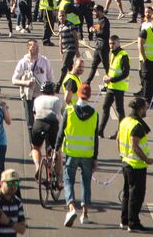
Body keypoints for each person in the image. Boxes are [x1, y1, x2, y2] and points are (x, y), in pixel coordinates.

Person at [58, 83, 98, 227]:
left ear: (78, 94)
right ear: (89, 96)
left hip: (72, 153)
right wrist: (95, 158)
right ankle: (85, 214)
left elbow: (61, 132)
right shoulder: (95, 114)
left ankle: (71, 207)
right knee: (86, 182)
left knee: (68, 180)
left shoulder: (69, 111)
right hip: (87, 153)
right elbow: (96, 137)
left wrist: (56, 148)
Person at [118, 97, 153, 232]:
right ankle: (133, 223)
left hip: (126, 162)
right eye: (145, 107)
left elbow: (118, 139)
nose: (146, 110)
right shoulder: (137, 126)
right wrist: (146, 159)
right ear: (140, 109)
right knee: (136, 195)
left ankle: (124, 220)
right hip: (136, 165)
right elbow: (135, 146)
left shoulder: (125, 121)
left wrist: (121, 155)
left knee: (127, 193)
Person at [11, 40, 53, 134]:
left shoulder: (44, 61)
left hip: (42, 96)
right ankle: (33, 146)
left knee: (43, 121)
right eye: (34, 46)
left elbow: (51, 78)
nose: (37, 48)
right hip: (28, 96)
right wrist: (26, 83)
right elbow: (14, 80)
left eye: (38, 46)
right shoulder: (23, 62)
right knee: (30, 123)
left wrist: (50, 93)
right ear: (28, 48)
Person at [99, 35, 130, 138]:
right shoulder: (112, 54)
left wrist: (111, 79)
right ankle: (100, 131)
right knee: (105, 106)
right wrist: (107, 76)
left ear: (118, 43)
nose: (111, 46)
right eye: (110, 44)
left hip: (119, 87)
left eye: (113, 43)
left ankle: (121, 132)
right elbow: (112, 70)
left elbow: (125, 73)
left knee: (120, 110)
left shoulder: (123, 55)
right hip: (111, 86)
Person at [0, 168, 26, 237]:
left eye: (16, 183)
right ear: (1, 183)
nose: (13, 186)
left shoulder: (18, 202)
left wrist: (8, 221)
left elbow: (22, 229)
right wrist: (14, 225)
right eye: (10, 183)